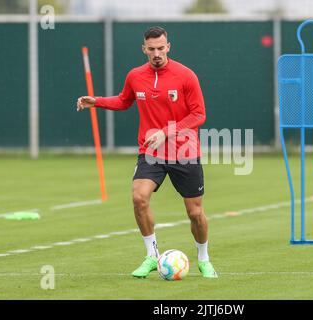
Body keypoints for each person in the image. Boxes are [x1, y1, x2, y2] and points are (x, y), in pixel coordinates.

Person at [76, 26, 217, 279]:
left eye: (160, 48)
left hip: (185, 151)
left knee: (195, 213)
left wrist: (166, 131)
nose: (156, 53)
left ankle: (204, 258)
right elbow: (124, 100)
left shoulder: (186, 76)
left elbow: (199, 114)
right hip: (150, 152)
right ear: (144, 49)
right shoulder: (135, 76)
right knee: (139, 198)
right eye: (151, 49)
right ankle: (152, 256)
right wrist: (96, 101)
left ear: (168, 47)